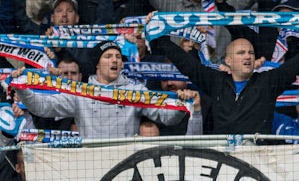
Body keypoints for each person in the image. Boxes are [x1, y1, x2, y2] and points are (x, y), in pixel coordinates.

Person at [151, 34, 299, 135]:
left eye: (251, 52)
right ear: (228, 60)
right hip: (224, 162)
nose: (248, 56)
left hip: (256, 160)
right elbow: (187, 64)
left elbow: (298, 64)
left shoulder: (267, 83)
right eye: (241, 53)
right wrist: (159, 35)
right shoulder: (216, 82)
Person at [13, 42, 189, 138]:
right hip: (92, 164)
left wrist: (181, 105)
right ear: (97, 64)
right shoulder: (80, 92)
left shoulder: (136, 91)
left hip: (127, 164)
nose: (114, 60)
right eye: (108, 56)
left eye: (118, 57)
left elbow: (167, 118)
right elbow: (43, 107)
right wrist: (22, 89)